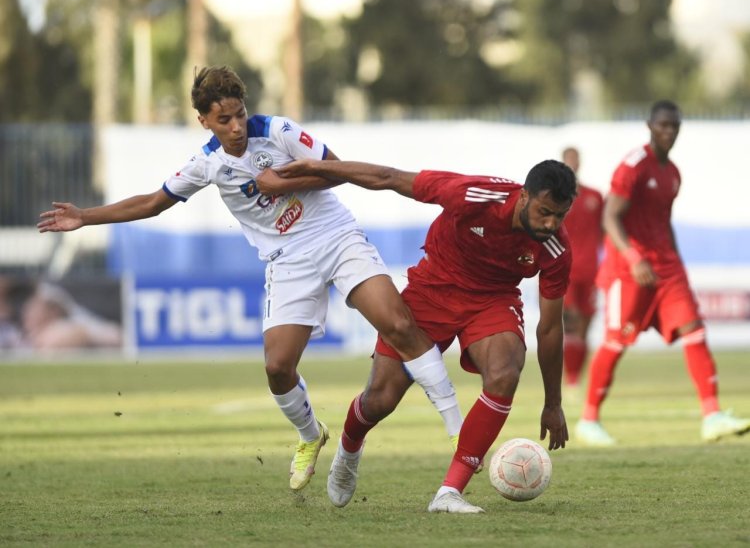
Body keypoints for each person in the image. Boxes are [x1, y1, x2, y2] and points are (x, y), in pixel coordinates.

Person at [36, 65, 463, 492]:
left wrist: (281, 181)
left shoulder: (277, 131)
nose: (237, 126)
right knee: (277, 367)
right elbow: (152, 202)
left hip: (335, 237)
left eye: (240, 114)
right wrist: (84, 217)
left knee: (398, 322)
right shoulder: (207, 164)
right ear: (203, 120)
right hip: (287, 260)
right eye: (224, 120)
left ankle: (454, 423)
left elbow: (337, 168)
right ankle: (311, 435)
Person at [274, 157, 576, 513]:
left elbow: (551, 327)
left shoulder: (556, 247)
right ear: (523, 197)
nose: (551, 224)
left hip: (493, 300)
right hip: (432, 289)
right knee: (380, 399)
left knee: (506, 371)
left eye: (560, 216)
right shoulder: (474, 195)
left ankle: (449, 493)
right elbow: (389, 175)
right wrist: (318, 166)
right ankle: (349, 448)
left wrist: (553, 403)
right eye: (544, 212)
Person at [575, 100, 750, 446]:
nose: (669, 132)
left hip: (667, 268)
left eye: (674, 126)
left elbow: (663, 221)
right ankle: (588, 419)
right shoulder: (633, 166)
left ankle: (712, 416)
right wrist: (634, 256)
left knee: (695, 330)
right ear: (649, 126)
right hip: (629, 270)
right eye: (663, 125)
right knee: (617, 340)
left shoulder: (673, 173)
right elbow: (610, 217)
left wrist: (677, 262)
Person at [560, 147, 604, 390]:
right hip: (564, 272)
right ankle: (571, 378)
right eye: (568, 160)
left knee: (585, 325)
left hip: (591, 271)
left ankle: (577, 375)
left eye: (576, 160)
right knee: (571, 323)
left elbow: (606, 231)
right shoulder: (554, 197)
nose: (573, 164)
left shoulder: (594, 197)